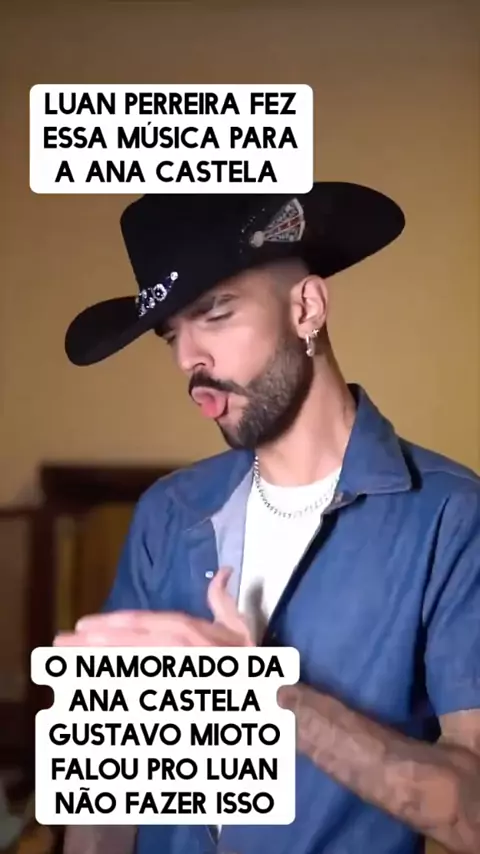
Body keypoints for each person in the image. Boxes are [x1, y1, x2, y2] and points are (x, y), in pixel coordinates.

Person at [57, 185, 480, 854]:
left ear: (306, 307)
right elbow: (108, 790)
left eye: (215, 314)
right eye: (172, 334)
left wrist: (270, 697)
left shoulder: (451, 517)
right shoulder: (168, 513)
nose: (188, 360)